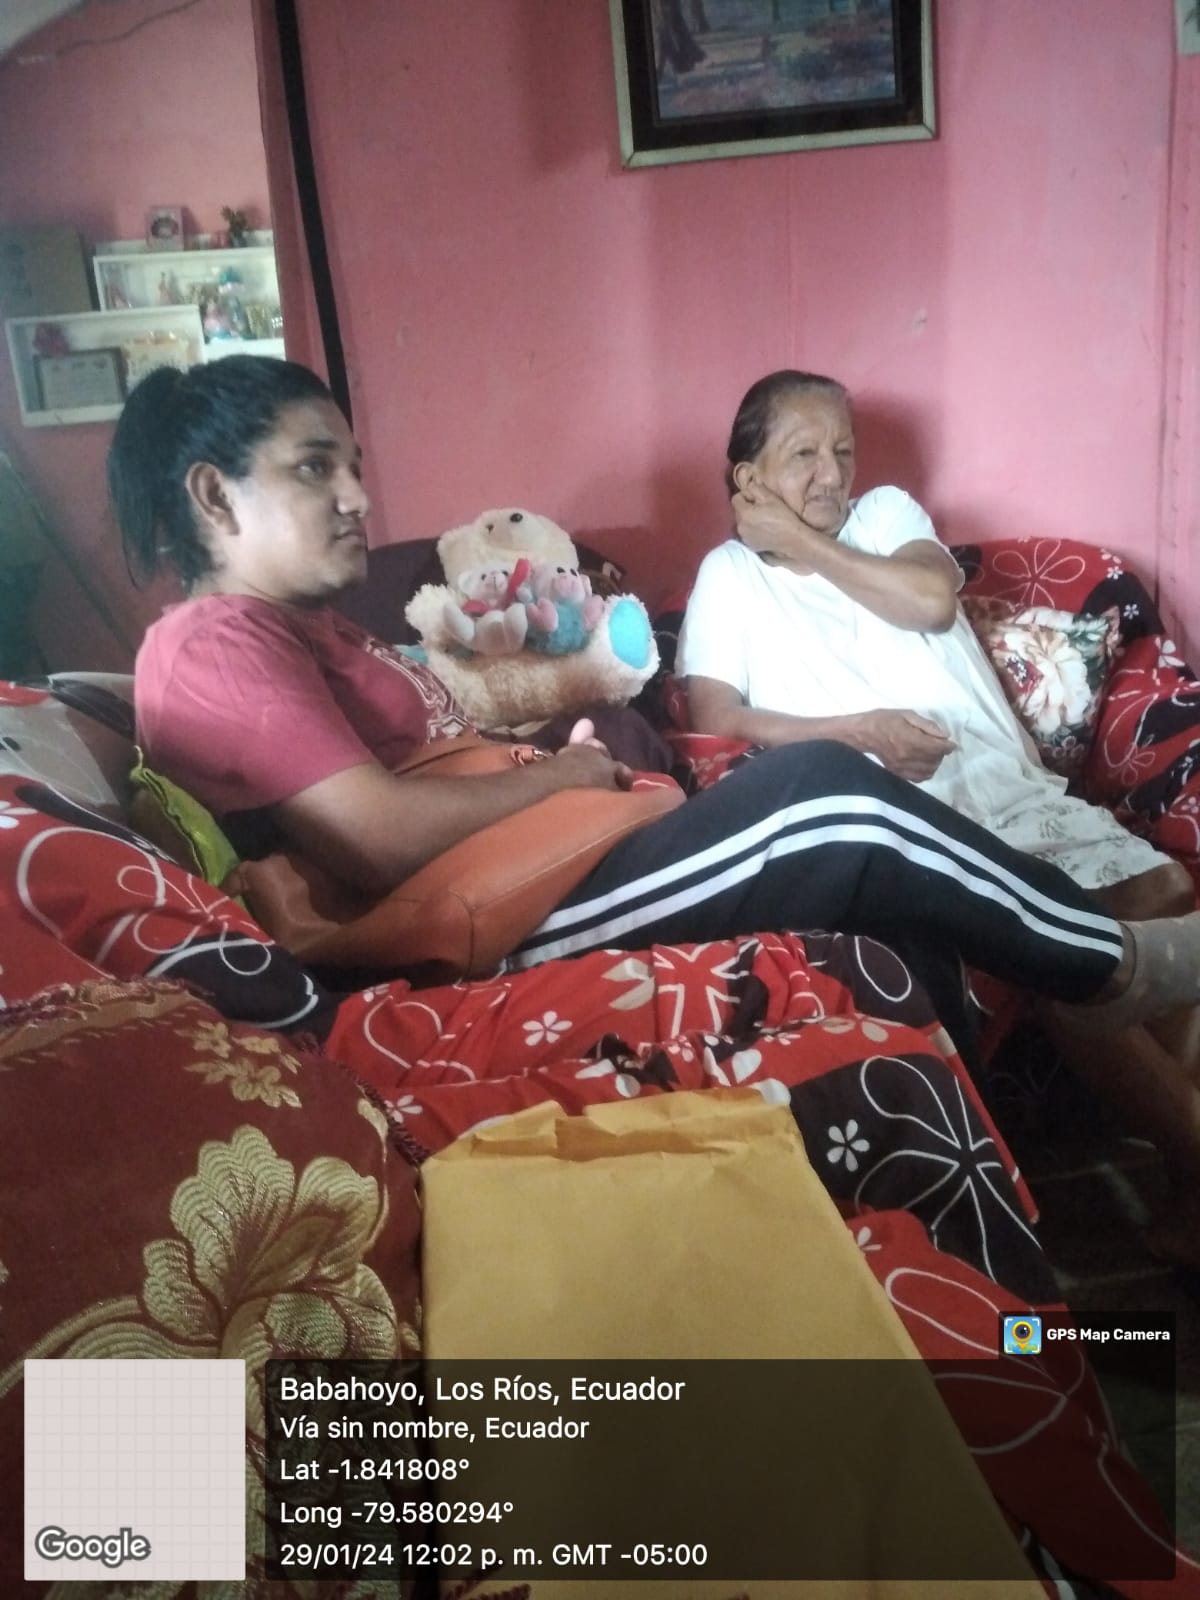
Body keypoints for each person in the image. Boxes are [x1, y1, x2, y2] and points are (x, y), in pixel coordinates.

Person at [110, 357, 1200, 1255]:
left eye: (354, 465)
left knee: (892, 916)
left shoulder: (310, 630)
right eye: (314, 467)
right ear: (214, 496)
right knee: (822, 797)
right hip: (470, 929)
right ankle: (1110, 962)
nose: (356, 495)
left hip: (527, 871)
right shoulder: (215, 642)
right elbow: (380, 836)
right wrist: (563, 777)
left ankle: (983, 1249)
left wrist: (559, 769)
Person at [678, 367, 1200, 1259]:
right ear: (746, 477)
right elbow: (715, 718)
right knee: (1064, 950)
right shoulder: (728, 577)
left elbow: (928, 600)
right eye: (803, 455)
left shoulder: (883, 517)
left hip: (1001, 782)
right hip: (905, 817)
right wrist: (858, 734)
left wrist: (799, 540)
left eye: (842, 450)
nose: (832, 474)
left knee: (1165, 894)